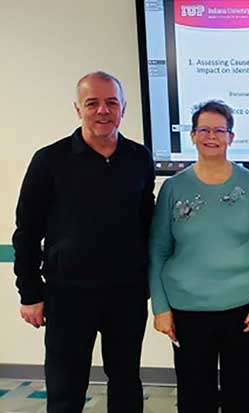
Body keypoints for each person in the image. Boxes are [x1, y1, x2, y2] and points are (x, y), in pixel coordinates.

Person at [12, 71, 155, 412]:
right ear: (79, 109)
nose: (102, 110)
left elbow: (145, 222)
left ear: (124, 108)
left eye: (111, 102)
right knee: (66, 384)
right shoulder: (49, 161)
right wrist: (29, 293)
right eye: (93, 103)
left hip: (127, 293)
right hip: (68, 294)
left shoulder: (139, 157)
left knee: (126, 380)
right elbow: (27, 232)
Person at [149, 100, 249, 413]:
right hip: (188, 309)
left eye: (220, 130)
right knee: (194, 398)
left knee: (242, 397)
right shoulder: (173, 188)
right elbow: (159, 249)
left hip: (244, 310)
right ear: (191, 136)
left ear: (231, 137)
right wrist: (160, 307)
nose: (211, 136)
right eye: (203, 129)